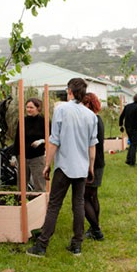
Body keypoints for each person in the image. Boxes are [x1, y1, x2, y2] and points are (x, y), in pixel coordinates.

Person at [26, 78, 98, 257]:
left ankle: (41, 246)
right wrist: (91, 167)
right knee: (78, 205)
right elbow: (92, 146)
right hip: (81, 168)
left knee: (54, 206)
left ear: (70, 91)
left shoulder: (61, 109)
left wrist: (47, 164)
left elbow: (54, 140)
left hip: (64, 167)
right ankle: (77, 245)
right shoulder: (91, 115)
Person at [81, 92, 106, 241]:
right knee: (92, 195)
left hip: (92, 163)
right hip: (98, 162)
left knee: (84, 197)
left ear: (89, 105)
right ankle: (94, 227)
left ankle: (96, 229)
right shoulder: (98, 119)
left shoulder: (92, 121)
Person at [11, 98, 47, 192]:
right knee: (21, 184)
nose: (29, 109)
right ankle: (22, 203)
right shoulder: (23, 121)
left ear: (38, 108)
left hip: (37, 157)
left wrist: (42, 141)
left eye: (31, 107)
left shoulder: (44, 121)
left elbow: (52, 137)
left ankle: (40, 205)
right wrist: (14, 156)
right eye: (27, 107)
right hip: (23, 156)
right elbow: (17, 139)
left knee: (39, 184)